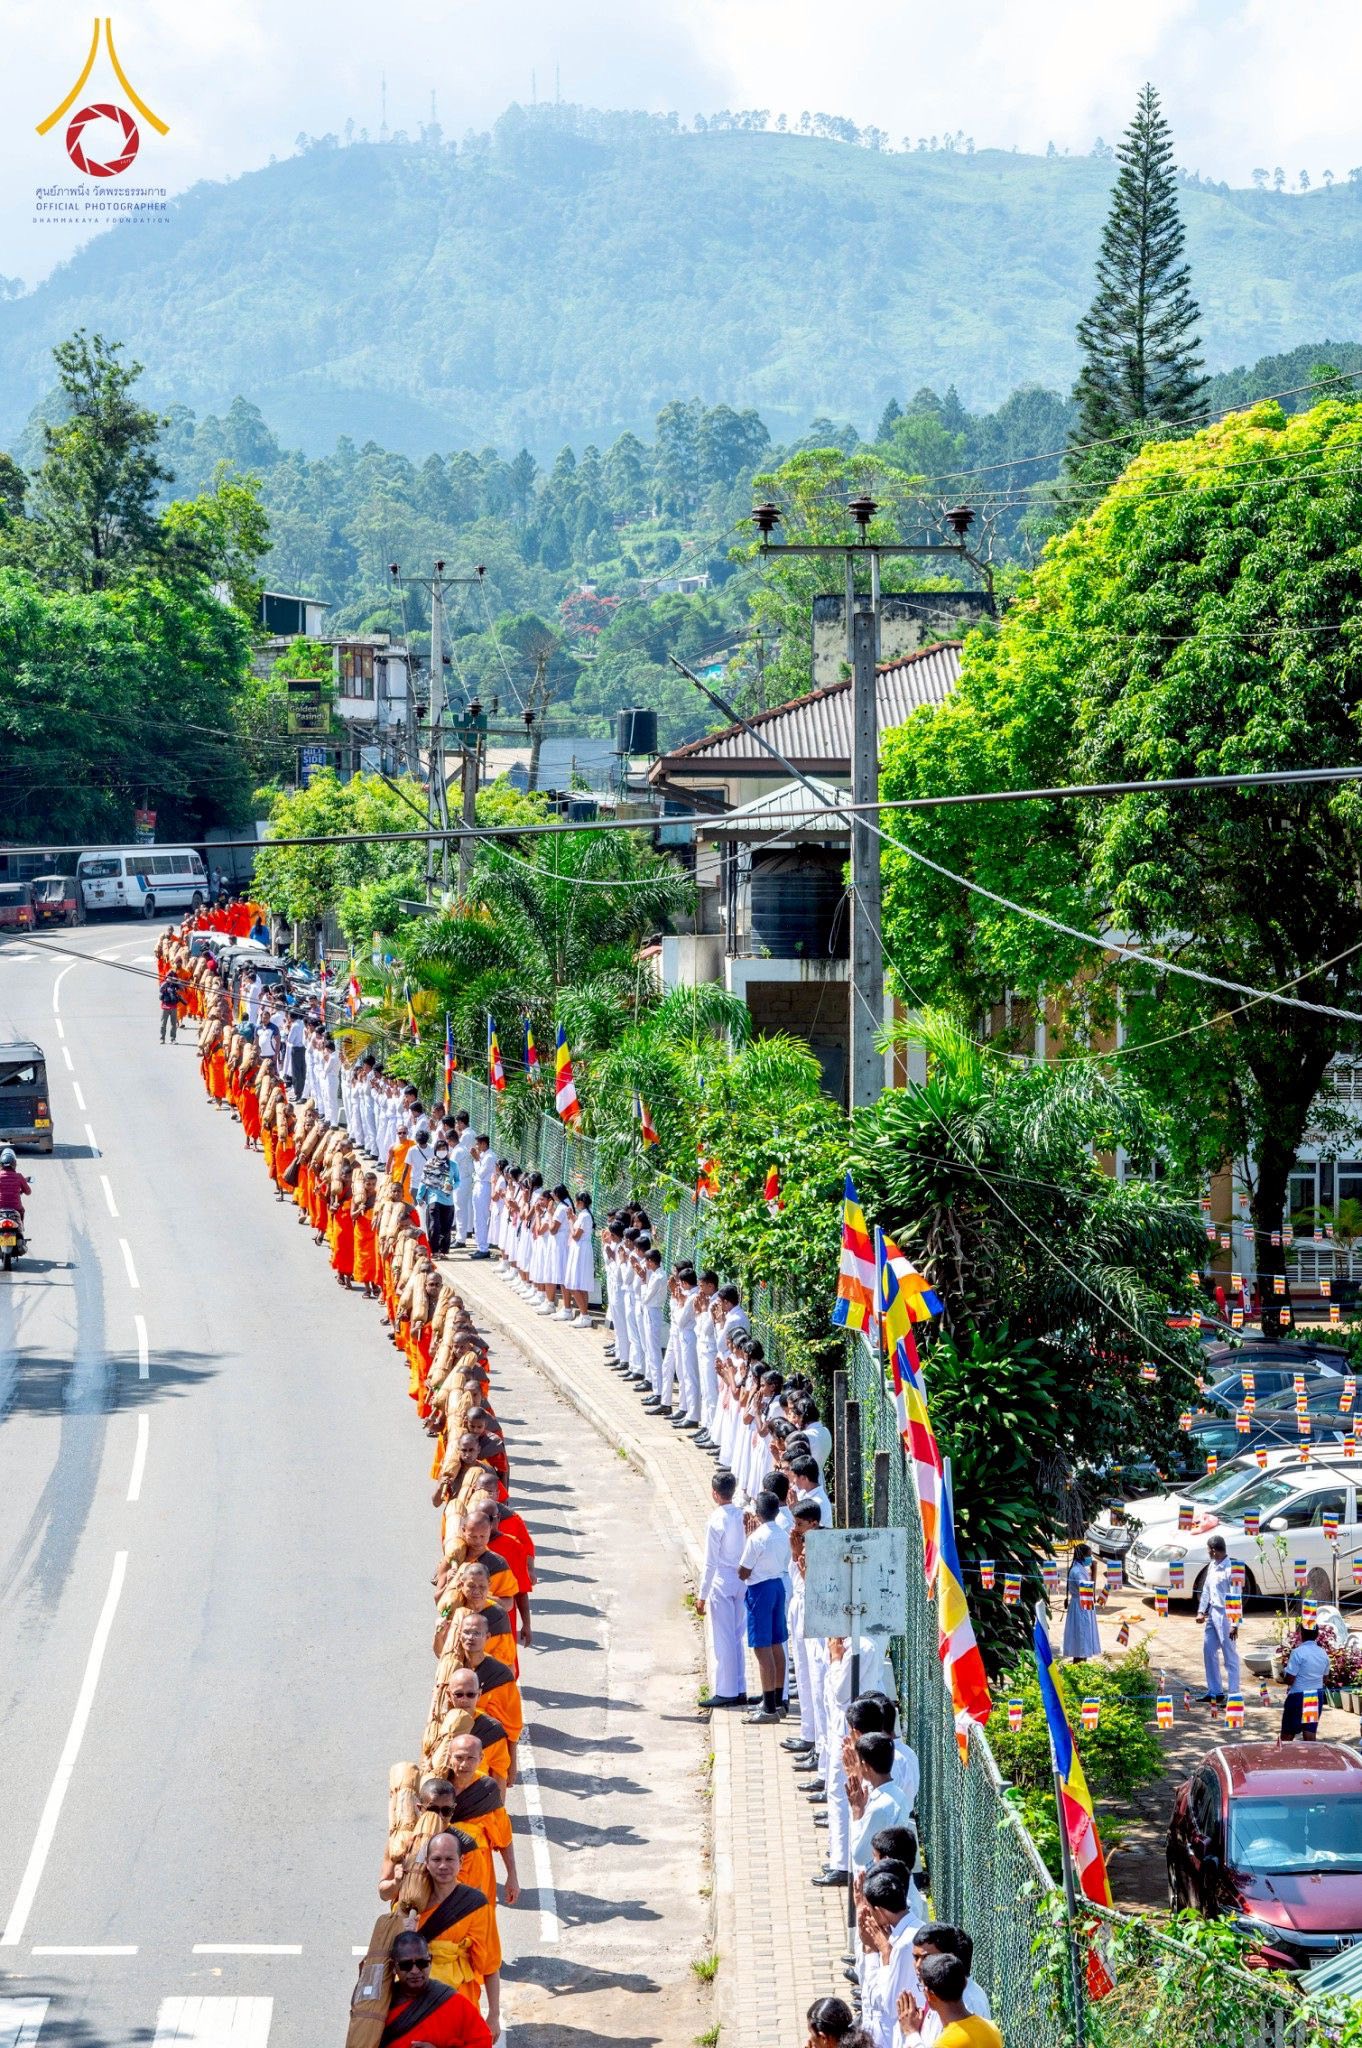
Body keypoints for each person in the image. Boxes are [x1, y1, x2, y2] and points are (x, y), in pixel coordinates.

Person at [416, 1831, 500, 2034]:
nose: (443, 1866)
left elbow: (489, 1964)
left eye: (449, 1859)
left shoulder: (475, 1905)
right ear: (427, 1863)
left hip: (459, 1997)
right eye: (436, 1859)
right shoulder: (413, 1902)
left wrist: (494, 2016)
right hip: (416, 1997)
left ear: (461, 1861)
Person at [381, 1932, 495, 2048]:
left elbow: (483, 2041)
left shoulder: (453, 2002)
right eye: (406, 1965)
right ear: (394, 1967)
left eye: (422, 1963)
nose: (415, 1971)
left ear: (430, 1960)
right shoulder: (380, 2005)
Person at [738, 1488, 790, 1724]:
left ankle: (768, 1707)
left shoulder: (756, 1538)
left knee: (762, 1648)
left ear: (758, 1513)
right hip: (778, 1585)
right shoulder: (783, 1533)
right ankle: (778, 1701)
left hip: (759, 1589)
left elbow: (743, 1571)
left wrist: (747, 1538)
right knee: (777, 1643)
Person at [856, 1861, 922, 2048]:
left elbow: (889, 2005)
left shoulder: (903, 1945)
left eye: (869, 1908)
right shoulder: (911, 1930)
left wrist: (884, 1953)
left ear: (878, 1910)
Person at [697, 1467, 747, 1707]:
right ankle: (739, 1686)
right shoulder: (743, 1514)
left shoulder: (716, 1520)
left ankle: (726, 1691)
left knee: (724, 1637)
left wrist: (701, 1594)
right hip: (743, 1579)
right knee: (737, 1635)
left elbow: (710, 1561)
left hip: (722, 1580)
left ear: (715, 1493)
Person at [895, 1951, 1002, 2048]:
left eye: (922, 1987)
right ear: (965, 1983)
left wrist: (911, 2032)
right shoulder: (991, 2028)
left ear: (930, 1994)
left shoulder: (946, 2043)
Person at [904, 1926, 992, 2044]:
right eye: (916, 1957)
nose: (918, 1965)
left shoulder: (967, 2002)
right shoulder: (940, 1993)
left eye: (926, 1957)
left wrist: (912, 2033)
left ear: (948, 1958)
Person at [848, 1732, 914, 1879]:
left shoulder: (879, 1807)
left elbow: (859, 1855)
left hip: (879, 1879)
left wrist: (857, 1813)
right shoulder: (897, 1793)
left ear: (865, 1766)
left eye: (858, 1762)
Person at [1196, 1534, 1240, 1703]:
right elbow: (1206, 1590)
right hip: (1213, 1612)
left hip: (1227, 1614)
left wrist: (1235, 1623)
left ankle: (1234, 1695)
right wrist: (1201, 1611)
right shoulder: (1212, 1566)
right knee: (1208, 1651)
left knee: (1230, 1656)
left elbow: (1237, 1596)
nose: (1208, 1552)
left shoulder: (1232, 1570)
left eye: (1209, 1549)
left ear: (1214, 1550)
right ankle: (1215, 1691)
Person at [1281, 1622, 1331, 1742]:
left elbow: (1290, 1679)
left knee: (1287, 1735)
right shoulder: (1323, 1653)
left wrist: (1281, 1678)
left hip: (1297, 1695)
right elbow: (1325, 1678)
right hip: (1315, 1696)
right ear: (1317, 1635)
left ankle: (1283, 1758)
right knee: (1309, 1734)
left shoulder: (1298, 1652)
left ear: (1301, 1634)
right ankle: (1311, 1759)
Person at [1062, 1544, 1101, 1662]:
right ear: (1082, 1556)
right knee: (1081, 1639)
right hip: (1081, 1606)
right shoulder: (1078, 1571)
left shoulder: (1079, 1568)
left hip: (1082, 1604)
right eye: (1089, 1555)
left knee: (1083, 1639)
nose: (1091, 1558)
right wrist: (1094, 1571)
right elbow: (1089, 1592)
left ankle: (1080, 1667)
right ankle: (1079, 1669)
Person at [0, 1149, 31, 1221]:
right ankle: (21, 1228)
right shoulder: (19, 1176)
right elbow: (28, 1192)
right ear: (14, 1164)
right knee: (22, 1211)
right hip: (16, 1207)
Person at [159, 969, 183, 1042]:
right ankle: (162, 1038)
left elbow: (183, 989)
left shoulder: (176, 984)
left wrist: (177, 982)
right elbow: (161, 989)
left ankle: (173, 1039)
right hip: (165, 1007)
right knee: (163, 1024)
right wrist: (167, 981)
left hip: (173, 1007)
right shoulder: (164, 983)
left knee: (174, 1024)